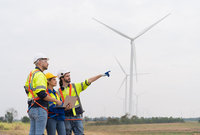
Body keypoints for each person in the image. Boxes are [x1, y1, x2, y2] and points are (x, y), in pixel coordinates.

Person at [57, 69, 111, 135]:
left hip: (77, 117)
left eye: (69, 76)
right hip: (66, 118)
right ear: (62, 78)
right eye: (67, 76)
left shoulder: (75, 86)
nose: (69, 77)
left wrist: (101, 75)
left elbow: (89, 81)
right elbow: (58, 105)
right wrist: (64, 107)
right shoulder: (58, 92)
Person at [24, 53, 62, 135]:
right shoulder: (40, 75)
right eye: (45, 61)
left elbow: (27, 89)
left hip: (31, 107)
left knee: (32, 133)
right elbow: (41, 94)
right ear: (39, 62)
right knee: (39, 133)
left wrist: (33, 98)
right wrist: (56, 101)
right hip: (39, 108)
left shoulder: (31, 74)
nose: (48, 63)